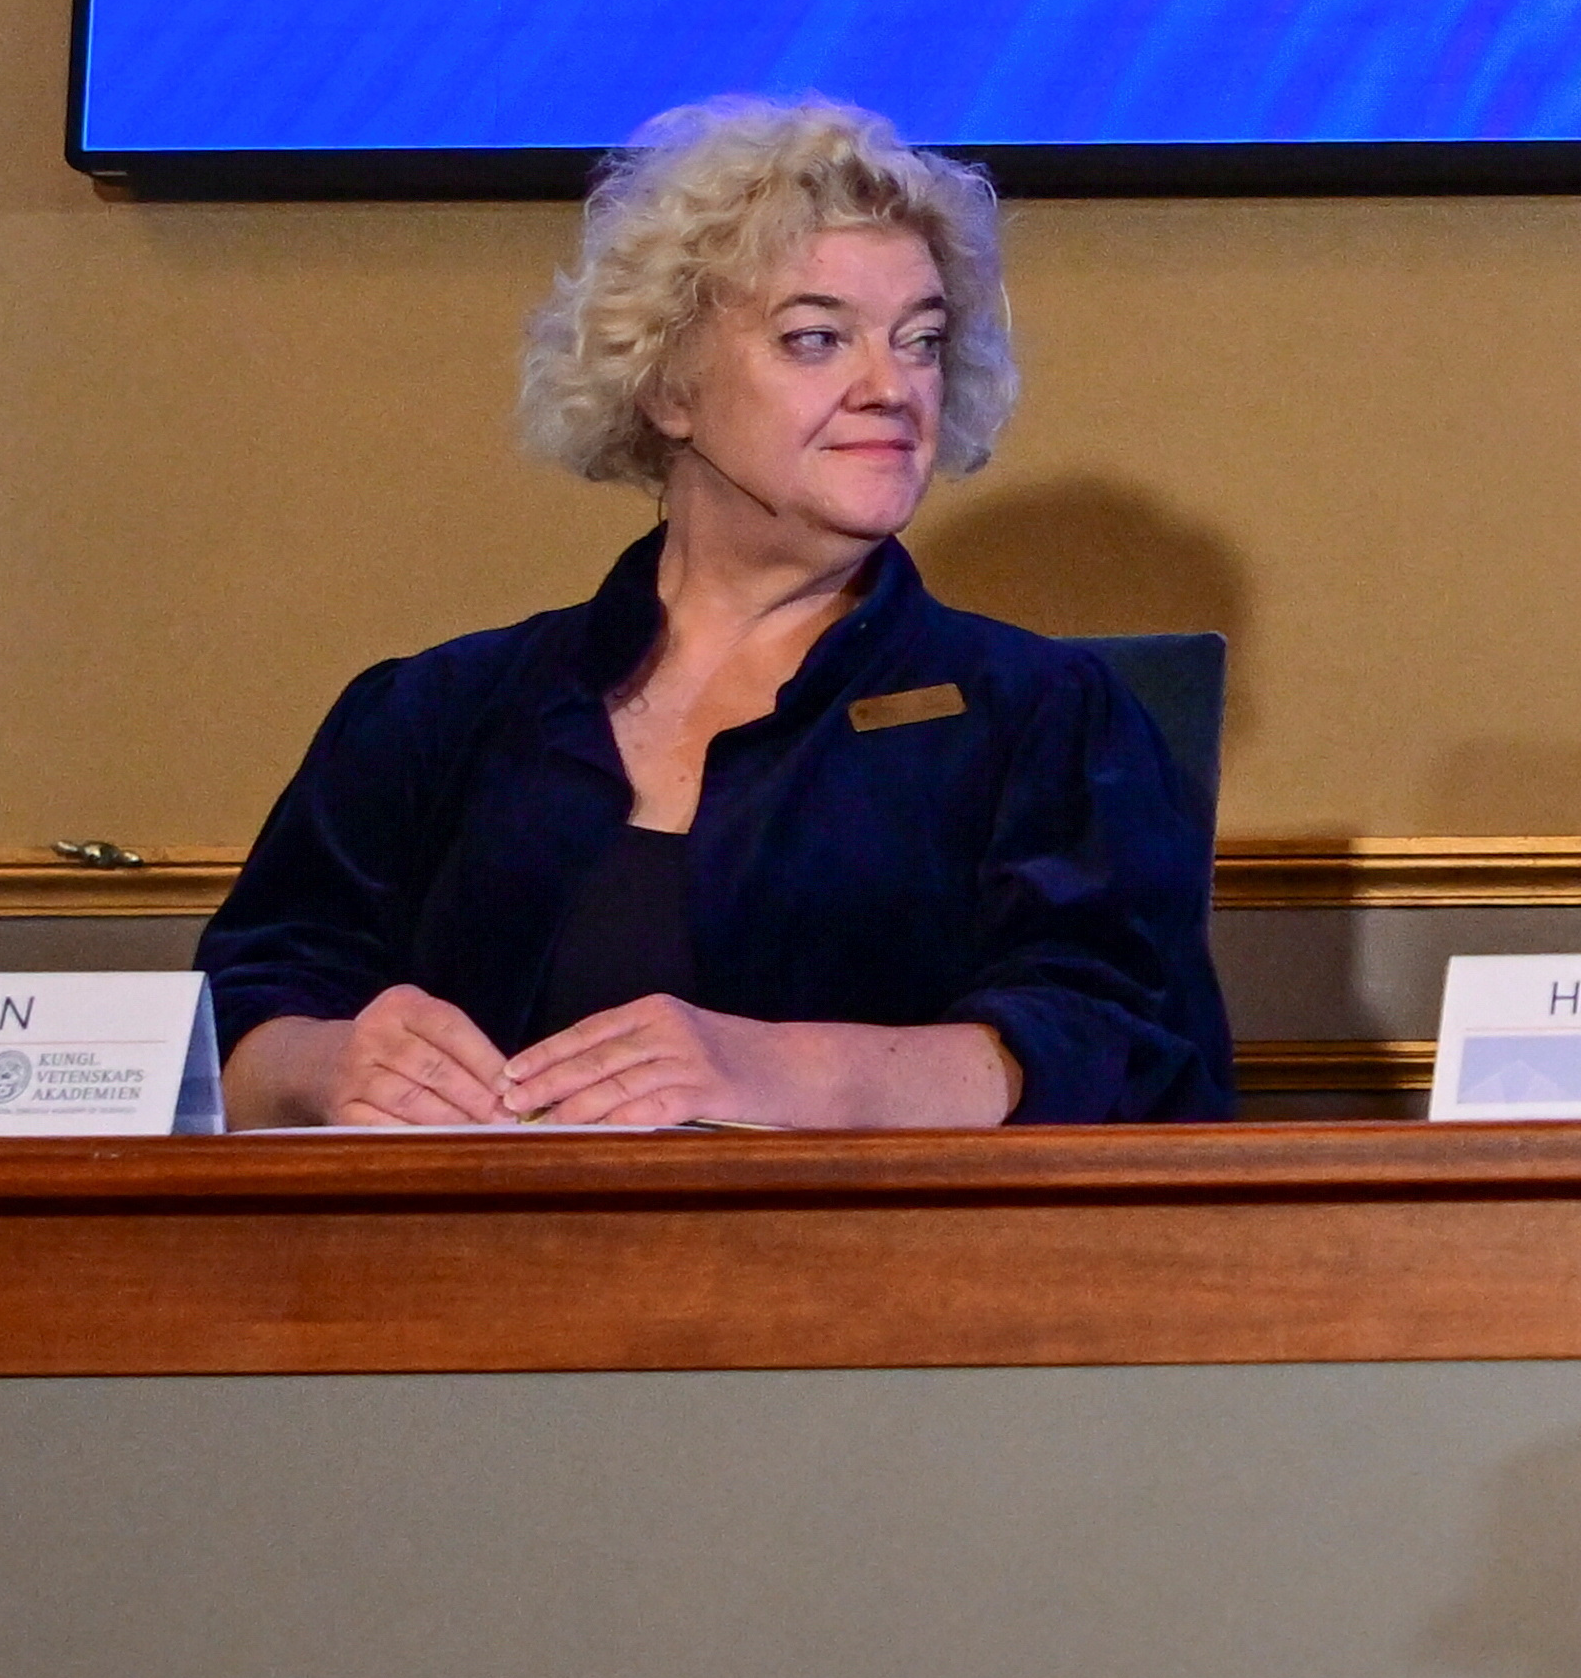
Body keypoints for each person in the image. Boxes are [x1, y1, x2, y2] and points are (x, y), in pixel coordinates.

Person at [201, 97, 1232, 1125]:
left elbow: (1131, 1052)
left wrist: (780, 1072)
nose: (891, 386)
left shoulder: (1049, 720)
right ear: (668, 387)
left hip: (886, 1283)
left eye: (920, 340)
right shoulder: (436, 712)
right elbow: (239, 1022)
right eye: (817, 338)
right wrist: (332, 1064)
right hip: (451, 1276)